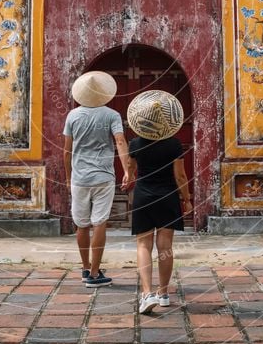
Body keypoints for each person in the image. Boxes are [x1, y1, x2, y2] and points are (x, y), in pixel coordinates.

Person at [125, 90, 192, 314]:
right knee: (165, 247)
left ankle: (146, 294)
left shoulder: (135, 143)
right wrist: (187, 199)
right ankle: (163, 293)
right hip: (168, 196)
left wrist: (128, 178)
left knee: (143, 245)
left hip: (143, 195)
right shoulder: (174, 144)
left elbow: (130, 171)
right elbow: (180, 176)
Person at [63, 70, 129, 288]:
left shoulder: (72, 116)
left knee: (81, 225)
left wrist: (67, 177)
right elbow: (120, 141)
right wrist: (127, 169)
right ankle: (94, 273)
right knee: (99, 222)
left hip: (79, 178)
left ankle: (85, 268)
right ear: (104, 93)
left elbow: (66, 152)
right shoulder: (111, 115)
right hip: (104, 177)